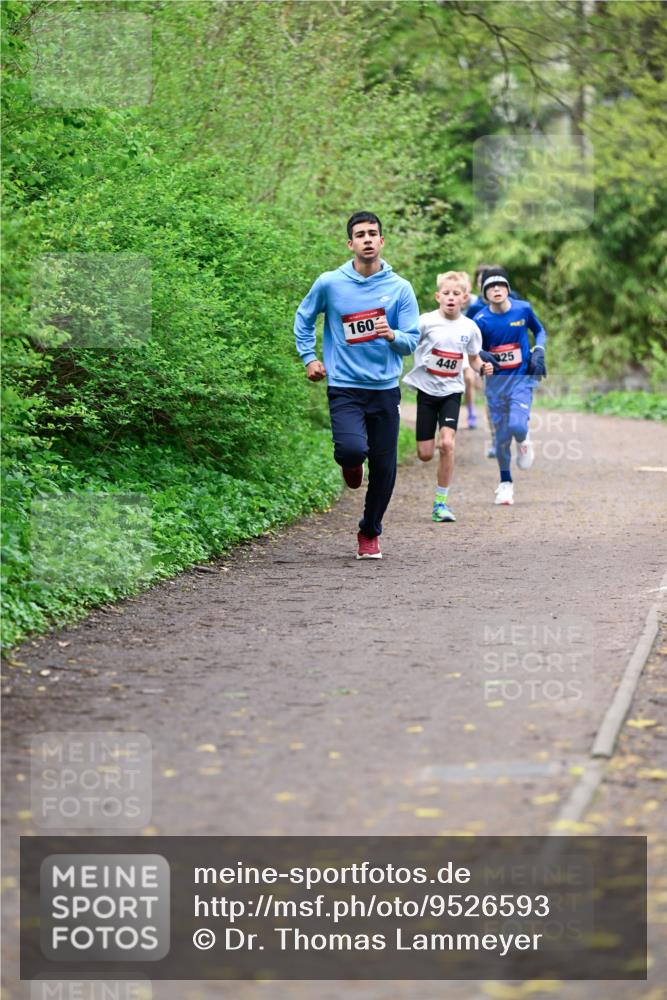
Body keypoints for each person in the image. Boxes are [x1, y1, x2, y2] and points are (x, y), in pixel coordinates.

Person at [294, 212, 420, 559]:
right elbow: (304, 318)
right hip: (345, 386)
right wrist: (309, 358)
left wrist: (392, 335)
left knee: (384, 468)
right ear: (350, 244)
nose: (367, 239)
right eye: (360, 234)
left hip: (384, 389)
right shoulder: (330, 283)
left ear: (381, 242)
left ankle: (369, 531)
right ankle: (351, 461)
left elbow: (411, 341)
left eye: (373, 234)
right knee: (352, 450)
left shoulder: (400, 289)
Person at [402, 271, 495, 522]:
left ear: (464, 298)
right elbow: (406, 343)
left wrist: (482, 368)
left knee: (447, 444)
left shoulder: (470, 328)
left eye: (456, 294)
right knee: (424, 453)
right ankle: (429, 453)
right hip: (427, 391)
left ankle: (440, 503)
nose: (451, 298)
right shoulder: (424, 322)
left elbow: (474, 359)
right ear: (437, 296)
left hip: (452, 392)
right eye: (446, 294)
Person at [474, 267, 547, 506]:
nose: (496, 290)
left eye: (500, 286)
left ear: (507, 289)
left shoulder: (522, 309)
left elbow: (539, 330)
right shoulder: (481, 320)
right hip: (495, 385)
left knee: (516, 425)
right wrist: (482, 359)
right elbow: (476, 353)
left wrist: (538, 350)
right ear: (485, 294)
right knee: (501, 439)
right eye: (490, 287)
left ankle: (524, 441)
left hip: (521, 380)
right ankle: (505, 483)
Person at [457, 271, 480, 430]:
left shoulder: (476, 302)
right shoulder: (451, 299)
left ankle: (471, 412)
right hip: (454, 345)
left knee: (469, 379)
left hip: (471, 345)